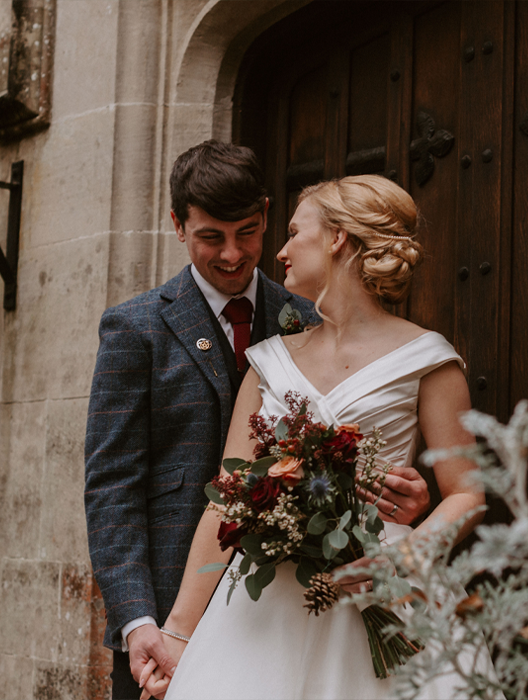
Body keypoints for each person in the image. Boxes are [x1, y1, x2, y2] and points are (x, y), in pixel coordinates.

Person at [84, 144, 431, 700]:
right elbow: (112, 486)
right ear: (178, 225)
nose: (232, 254)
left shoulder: (304, 310)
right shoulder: (134, 328)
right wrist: (139, 621)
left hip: (300, 609)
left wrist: (399, 498)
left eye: (247, 232)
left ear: (268, 215)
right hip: (165, 618)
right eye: (210, 237)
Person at [139, 174, 496, 700]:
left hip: (385, 588)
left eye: (292, 232)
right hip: (267, 606)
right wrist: (178, 632)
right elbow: (227, 502)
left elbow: (468, 495)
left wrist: (404, 559)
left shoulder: (428, 359)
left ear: (336, 239)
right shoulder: (268, 363)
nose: (280, 251)